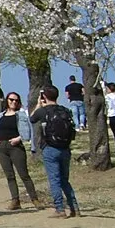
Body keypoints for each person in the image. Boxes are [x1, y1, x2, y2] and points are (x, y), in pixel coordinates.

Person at [28, 86, 80, 218]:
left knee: (54, 179)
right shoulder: (65, 111)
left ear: (44, 96)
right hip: (65, 148)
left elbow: (32, 119)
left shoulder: (43, 111)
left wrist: (39, 104)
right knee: (64, 180)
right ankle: (74, 207)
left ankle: (60, 209)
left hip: (50, 148)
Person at [0, 91, 38, 210]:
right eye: (11, 100)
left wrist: (18, 139)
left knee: (24, 174)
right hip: (2, 147)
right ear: (7, 100)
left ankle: (35, 199)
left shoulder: (21, 115)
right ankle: (15, 200)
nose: (14, 102)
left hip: (16, 147)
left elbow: (26, 132)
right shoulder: (1, 115)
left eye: (16, 100)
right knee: (9, 176)